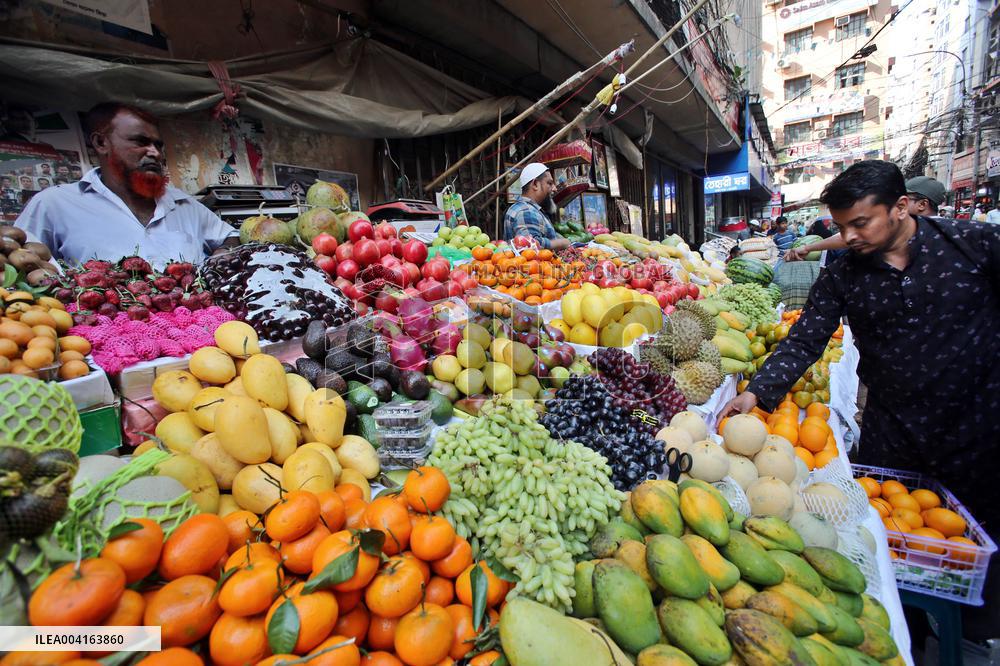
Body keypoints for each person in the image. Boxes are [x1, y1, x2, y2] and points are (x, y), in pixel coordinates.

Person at [722, 162, 1000, 632]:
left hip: (979, 420)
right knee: (894, 538)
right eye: (840, 226)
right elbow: (806, 338)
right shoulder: (843, 276)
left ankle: (974, 633)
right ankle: (907, 628)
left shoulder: (971, 245)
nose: (848, 236)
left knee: (975, 544)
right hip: (894, 427)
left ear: (901, 207)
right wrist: (758, 394)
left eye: (860, 223)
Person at [15, 103, 238, 268]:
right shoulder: (55, 204)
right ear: (101, 143)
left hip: (199, 327)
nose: (155, 153)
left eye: (158, 145)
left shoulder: (183, 203)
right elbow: (21, 265)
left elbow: (230, 235)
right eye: (140, 142)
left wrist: (224, 252)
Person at [784, 175, 947, 262]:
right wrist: (808, 248)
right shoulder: (896, 227)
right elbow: (845, 238)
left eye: (905, 197)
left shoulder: (949, 237)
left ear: (921, 204)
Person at [502, 163, 570, 251]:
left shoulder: (530, 209)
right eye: (549, 183)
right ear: (535, 184)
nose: (554, 188)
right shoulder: (526, 211)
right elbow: (530, 245)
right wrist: (562, 243)